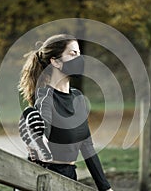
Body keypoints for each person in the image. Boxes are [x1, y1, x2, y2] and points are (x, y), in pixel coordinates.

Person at [18, 34, 113, 191]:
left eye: (79, 54)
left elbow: (87, 146)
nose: (80, 59)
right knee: (34, 122)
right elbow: (45, 129)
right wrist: (37, 136)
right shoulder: (45, 97)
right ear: (55, 62)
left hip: (70, 177)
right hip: (44, 176)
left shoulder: (78, 98)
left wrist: (105, 188)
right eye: (73, 54)